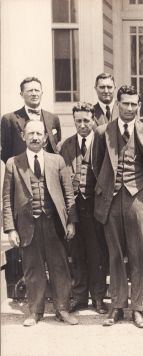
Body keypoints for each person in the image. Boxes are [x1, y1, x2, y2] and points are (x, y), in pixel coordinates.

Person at [91, 85, 143, 328]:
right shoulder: (101, 132)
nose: (129, 108)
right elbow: (97, 166)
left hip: (138, 199)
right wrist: (108, 186)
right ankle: (117, 306)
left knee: (140, 255)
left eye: (134, 104)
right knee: (115, 255)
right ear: (117, 104)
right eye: (125, 103)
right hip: (110, 199)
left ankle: (138, 308)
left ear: (139, 106)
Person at [2, 120, 78, 326]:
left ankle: (63, 309)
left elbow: (69, 195)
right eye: (31, 133)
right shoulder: (13, 163)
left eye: (39, 133)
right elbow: (7, 200)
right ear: (23, 137)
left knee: (60, 267)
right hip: (27, 225)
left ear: (45, 137)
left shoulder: (57, 160)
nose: (35, 137)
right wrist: (10, 229)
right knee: (32, 269)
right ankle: (35, 311)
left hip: (54, 223)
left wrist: (71, 223)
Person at [1, 76, 62, 302]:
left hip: (48, 189)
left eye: (38, 90)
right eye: (29, 91)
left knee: (53, 250)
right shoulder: (9, 119)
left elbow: (56, 152)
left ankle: (55, 298)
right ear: (22, 94)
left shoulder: (52, 118)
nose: (34, 94)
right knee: (25, 245)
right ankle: (24, 292)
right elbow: (5, 152)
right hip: (22, 182)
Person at [60, 103, 109, 314]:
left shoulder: (103, 143)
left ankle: (98, 297)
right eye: (78, 121)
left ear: (94, 120)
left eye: (86, 120)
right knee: (76, 252)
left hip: (95, 205)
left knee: (97, 253)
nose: (82, 125)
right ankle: (80, 297)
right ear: (74, 121)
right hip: (73, 207)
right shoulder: (66, 145)